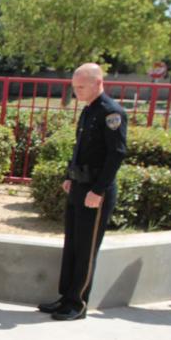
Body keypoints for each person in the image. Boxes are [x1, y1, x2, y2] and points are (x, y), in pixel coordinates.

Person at [38, 63, 127, 321]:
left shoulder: (112, 112)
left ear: (98, 83)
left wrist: (98, 190)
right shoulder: (89, 111)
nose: (76, 91)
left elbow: (116, 154)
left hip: (95, 191)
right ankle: (65, 296)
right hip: (80, 186)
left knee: (86, 248)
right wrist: (70, 176)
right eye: (74, 87)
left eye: (81, 86)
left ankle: (77, 303)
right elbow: (81, 149)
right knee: (73, 245)